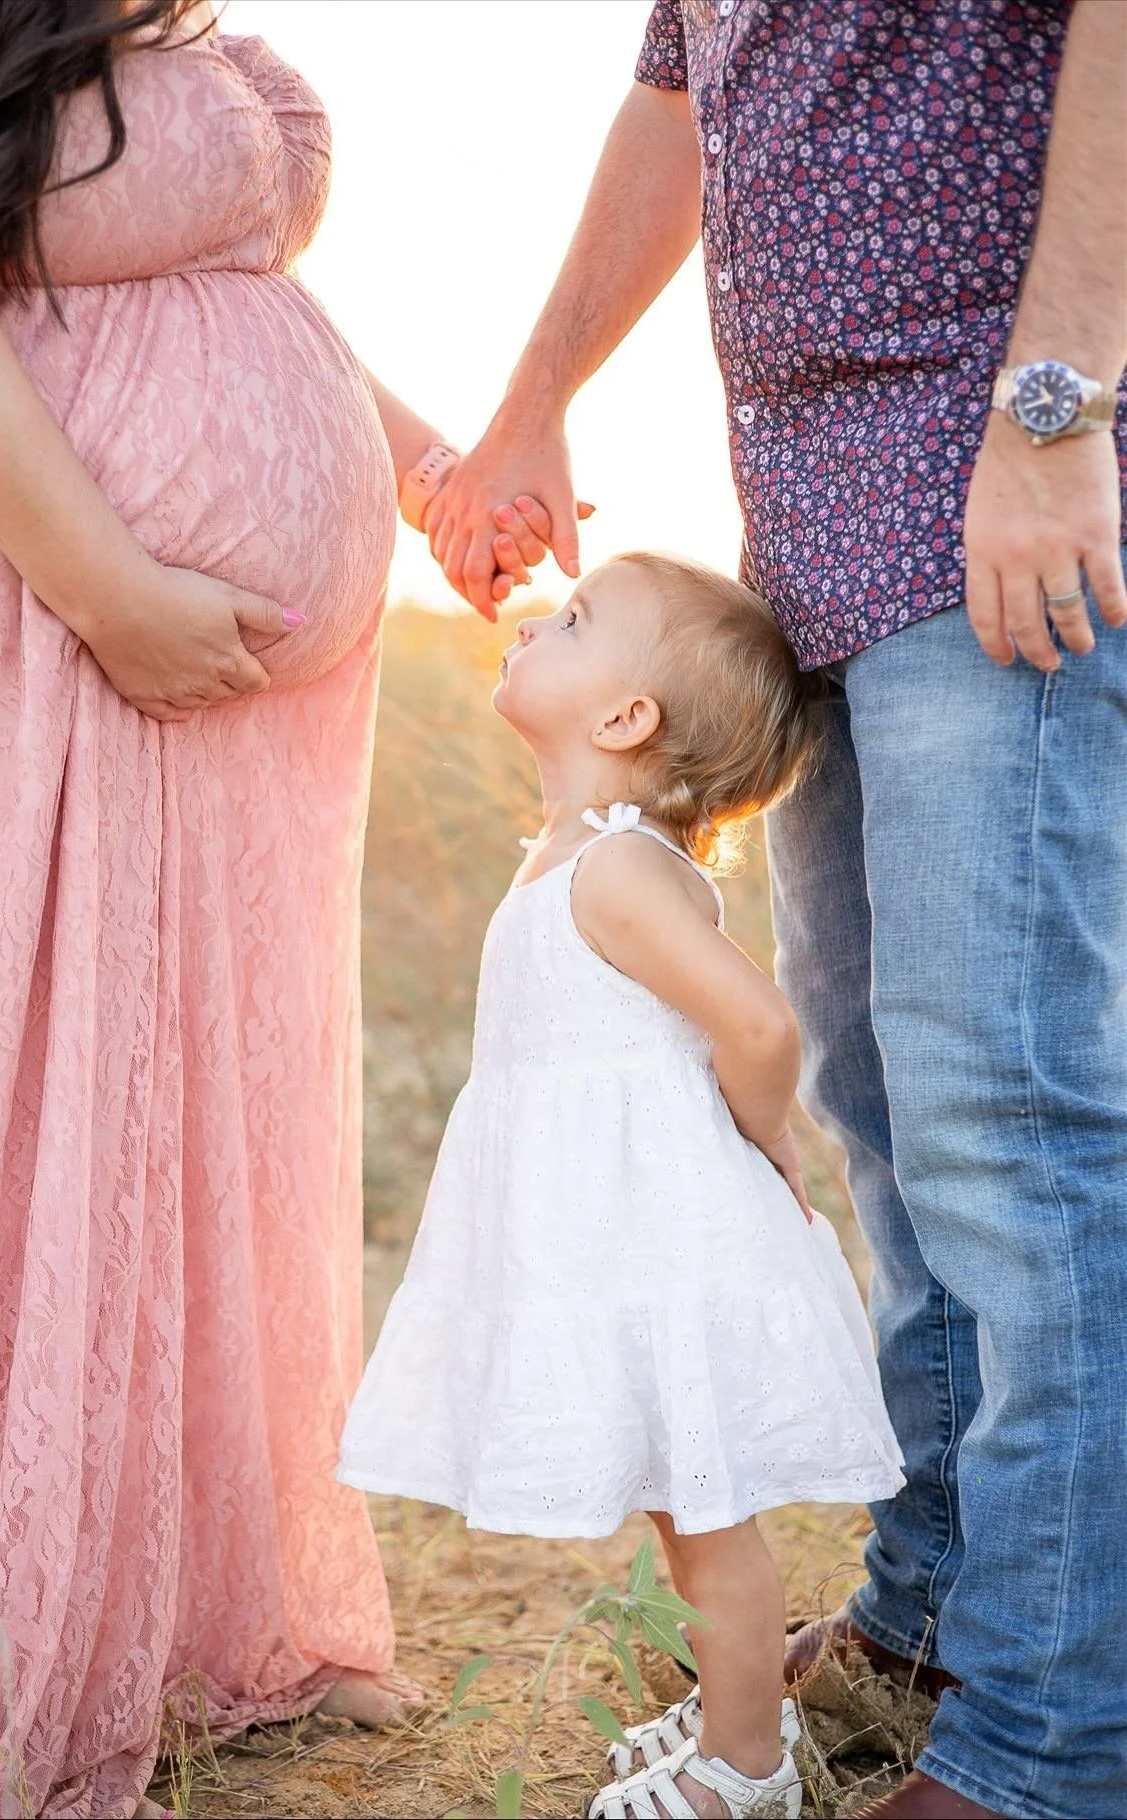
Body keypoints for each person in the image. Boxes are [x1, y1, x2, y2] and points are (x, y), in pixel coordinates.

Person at [0, 2, 534, 1812]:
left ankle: (200, 1612)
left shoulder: (123, 20)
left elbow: (242, 292)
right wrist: (107, 585)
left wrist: (424, 470)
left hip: (208, 700)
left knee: (186, 1107)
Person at [416, 4, 1127, 1816]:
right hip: (818, 525)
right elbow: (682, 85)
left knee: (1008, 1128)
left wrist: (1058, 406)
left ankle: (1054, 1739)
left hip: (1000, 474)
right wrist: (534, 394)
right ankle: (939, 1611)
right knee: (896, 1122)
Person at [339, 553, 907, 1820]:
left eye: (579, 618)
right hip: (610, 1242)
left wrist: (766, 1147)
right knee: (674, 1497)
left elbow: (758, 1026)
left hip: (667, 1238)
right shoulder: (570, 854)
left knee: (705, 1513)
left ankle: (749, 1765)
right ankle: (732, 1717)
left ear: (623, 719)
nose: (540, 616)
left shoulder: (615, 867)